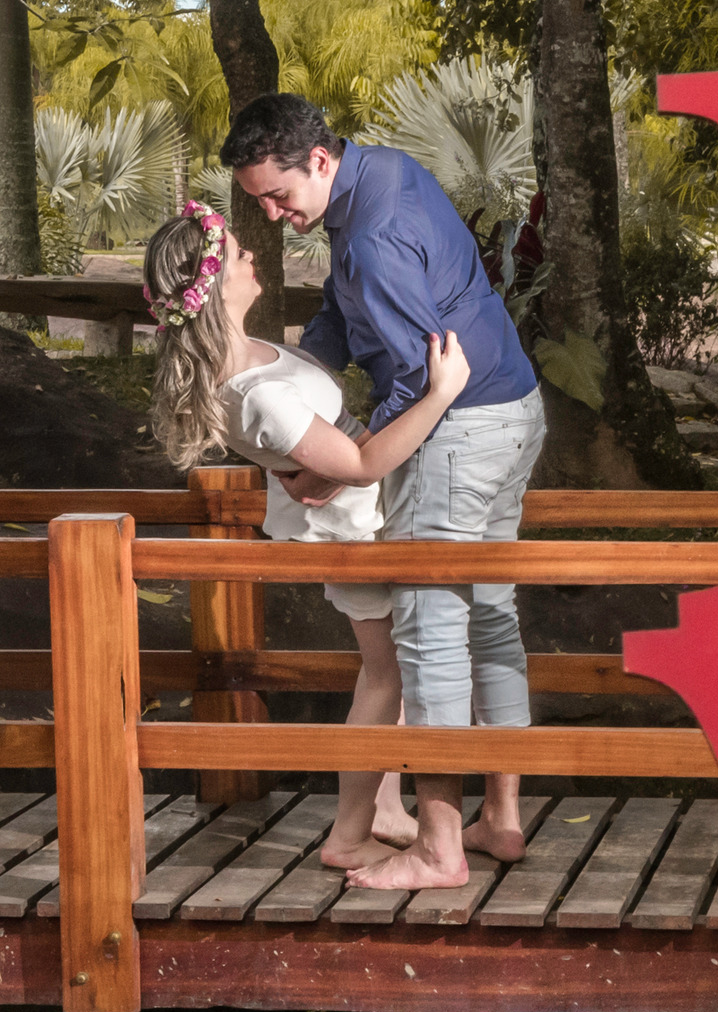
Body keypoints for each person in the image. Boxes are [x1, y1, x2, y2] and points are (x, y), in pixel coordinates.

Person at [221, 93, 547, 894]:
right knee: (491, 608)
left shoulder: (370, 233)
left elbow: (411, 378)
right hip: (514, 409)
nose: (273, 212)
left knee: (431, 629)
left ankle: (439, 852)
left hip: (460, 427)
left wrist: (337, 461)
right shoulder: (381, 175)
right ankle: (500, 818)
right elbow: (342, 309)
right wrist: (308, 373)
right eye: (259, 198)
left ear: (319, 160)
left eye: (279, 195)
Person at [143, 199, 471, 868]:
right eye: (237, 254)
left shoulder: (249, 361)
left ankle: (380, 807)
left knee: (397, 673)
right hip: (357, 533)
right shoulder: (254, 393)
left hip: (361, 516)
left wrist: (300, 466)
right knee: (386, 677)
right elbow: (364, 462)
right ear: (210, 288)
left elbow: (311, 444)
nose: (252, 255)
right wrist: (442, 393)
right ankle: (346, 835)